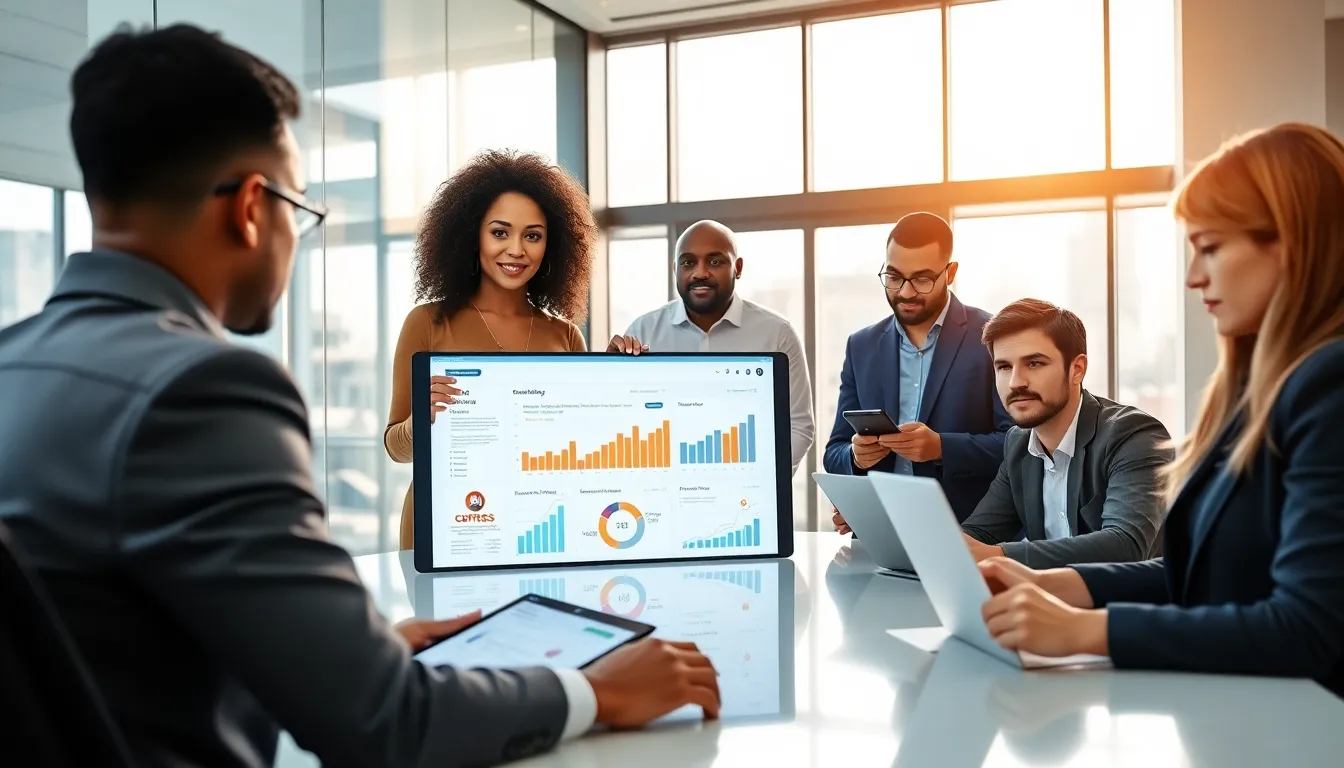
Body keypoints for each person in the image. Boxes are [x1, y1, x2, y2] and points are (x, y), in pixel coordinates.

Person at [0, 24, 719, 768]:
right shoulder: (206, 392)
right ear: (252, 207)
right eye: (299, 209)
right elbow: (387, 723)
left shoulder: (10, 365)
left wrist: (340, 652)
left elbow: (115, 652)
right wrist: (592, 691)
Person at [978, 123, 1344, 697]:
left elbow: (1306, 629)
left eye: (1212, 248)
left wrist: (1086, 630)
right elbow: (1201, 578)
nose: (1195, 276)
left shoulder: (1330, 385)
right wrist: (1061, 584)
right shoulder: (1254, 395)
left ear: (1294, 242)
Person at [385, 150, 646, 550]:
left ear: (550, 246)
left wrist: (613, 379)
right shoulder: (426, 323)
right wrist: (422, 420)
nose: (517, 250)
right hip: (444, 525)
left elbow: (581, 449)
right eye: (500, 232)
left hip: (536, 525)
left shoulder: (564, 335)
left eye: (533, 235)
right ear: (472, 235)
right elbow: (396, 450)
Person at [822, 212, 1012, 521]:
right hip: (880, 530)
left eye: (922, 279)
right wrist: (855, 457)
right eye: (894, 277)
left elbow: (1018, 444)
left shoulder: (992, 337)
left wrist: (942, 448)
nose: (906, 292)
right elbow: (835, 452)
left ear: (950, 273)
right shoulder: (861, 346)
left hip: (966, 534)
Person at [953, 299, 1169, 566]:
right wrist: (937, 546)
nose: (1016, 382)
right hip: (1050, 603)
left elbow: (1125, 546)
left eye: (1034, 363)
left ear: (1077, 369)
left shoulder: (1133, 435)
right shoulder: (1019, 442)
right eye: (1004, 367)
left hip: (1126, 605)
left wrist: (999, 555)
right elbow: (980, 533)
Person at [623, 220, 815, 473]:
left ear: (738, 267)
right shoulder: (642, 332)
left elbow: (799, 425)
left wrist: (762, 479)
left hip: (748, 497)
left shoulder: (777, 333)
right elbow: (624, 421)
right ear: (675, 269)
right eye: (688, 262)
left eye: (715, 262)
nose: (700, 273)